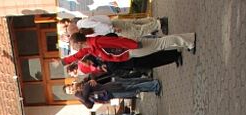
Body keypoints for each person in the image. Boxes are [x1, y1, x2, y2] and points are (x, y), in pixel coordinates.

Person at [63, 31, 196, 66]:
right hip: (130, 52)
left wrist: (134, 45)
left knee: (160, 44)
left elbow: (117, 42)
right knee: (159, 45)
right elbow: (76, 56)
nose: (73, 47)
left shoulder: (96, 42)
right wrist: (64, 61)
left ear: (79, 42)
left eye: (73, 44)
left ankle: (189, 40)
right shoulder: (88, 48)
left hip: (131, 48)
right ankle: (187, 40)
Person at [64, 77, 161, 108]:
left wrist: (78, 95)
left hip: (110, 88)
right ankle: (153, 86)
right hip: (110, 95)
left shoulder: (84, 85)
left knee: (133, 87)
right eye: (70, 92)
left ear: (72, 85)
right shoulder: (81, 94)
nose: (72, 90)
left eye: (70, 88)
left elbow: (85, 97)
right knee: (133, 90)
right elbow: (89, 105)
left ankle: (154, 84)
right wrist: (80, 96)